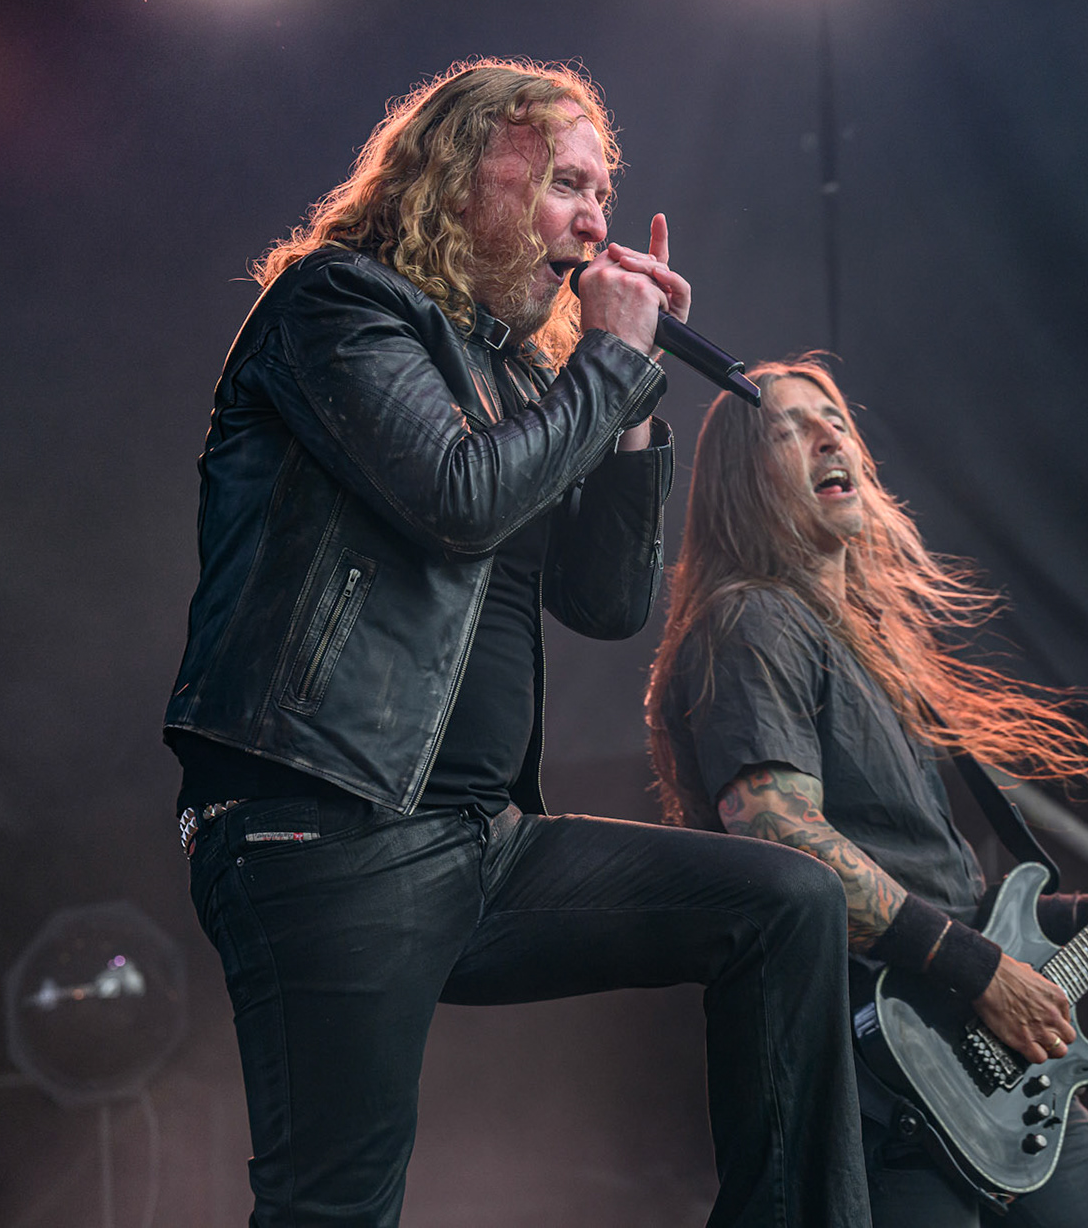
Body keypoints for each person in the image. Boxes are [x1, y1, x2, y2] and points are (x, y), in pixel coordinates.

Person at [164, 62, 868, 1228]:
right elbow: (458, 496)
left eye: (603, 189)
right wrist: (608, 362)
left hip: (482, 844)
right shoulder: (337, 307)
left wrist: (634, 394)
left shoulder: (513, 373)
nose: (596, 218)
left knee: (788, 903)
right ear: (459, 172)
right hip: (325, 825)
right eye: (563, 181)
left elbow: (603, 598)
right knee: (334, 1204)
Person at [648, 357, 1088, 1227]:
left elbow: (970, 910)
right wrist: (981, 971)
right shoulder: (752, 621)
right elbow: (780, 838)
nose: (825, 436)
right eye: (785, 429)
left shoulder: (872, 655)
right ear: (744, 480)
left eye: (834, 421)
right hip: (889, 1085)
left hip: (988, 1071)